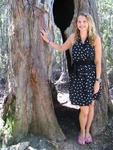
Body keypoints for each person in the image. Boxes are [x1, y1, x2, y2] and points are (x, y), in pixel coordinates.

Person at [40, 12, 102, 145]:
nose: (81, 24)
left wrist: (97, 81)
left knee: (91, 106)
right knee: (84, 109)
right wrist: (48, 40)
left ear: (89, 22)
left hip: (91, 76)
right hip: (78, 76)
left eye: (84, 21)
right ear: (77, 24)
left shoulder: (95, 39)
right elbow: (62, 48)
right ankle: (82, 131)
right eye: (79, 22)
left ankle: (87, 131)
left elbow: (98, 62)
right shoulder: (74, 37)